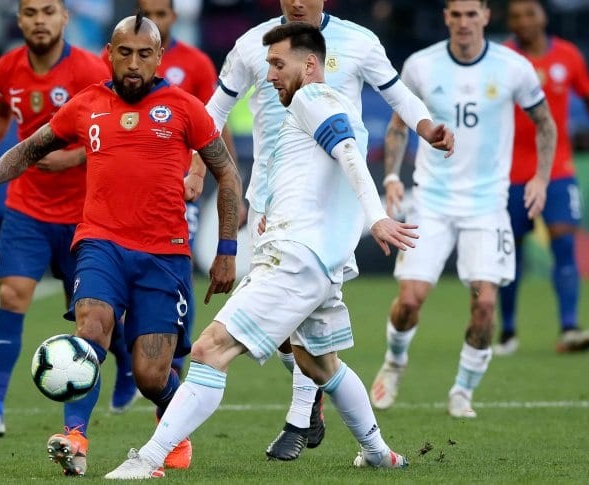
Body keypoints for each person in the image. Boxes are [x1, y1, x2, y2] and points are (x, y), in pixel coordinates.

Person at [104, 21, 419, 480]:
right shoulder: (331, 104)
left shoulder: (314, 98)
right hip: (321, 262)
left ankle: (149, 459)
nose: (269, 76)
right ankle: (377, 452)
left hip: (294, 257)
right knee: (318, 362)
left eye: (277, 64)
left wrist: (376, 217)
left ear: (310, 64)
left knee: (211, 349)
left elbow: (349, 153)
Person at [0, 13, 242, 476]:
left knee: (152, 375)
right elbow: (31, 147)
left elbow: (227, 173)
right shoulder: (86, 103)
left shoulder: (184, 107)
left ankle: (173, 422)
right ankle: (75, 440)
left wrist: (227, 250)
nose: (133, 64)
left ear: (158, 59)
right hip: (100, 242)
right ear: (108, 55)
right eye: (125, 53)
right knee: (91, 331)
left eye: (144, 54)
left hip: (164, 254)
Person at [204, 0, 454, 461]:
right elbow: (213, 112)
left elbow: (396, 92)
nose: (298, 2)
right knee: (287, 334)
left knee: (297, 322)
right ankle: (325, 408)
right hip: (267, 201)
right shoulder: (251, 46)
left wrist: (426, 127)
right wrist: (189, 167)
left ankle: (300, 419)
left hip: (327, 206)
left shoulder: (359, 42)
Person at [0, 0, 137, 440]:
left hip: (85, 215)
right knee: (12, 295)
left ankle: (127, 366)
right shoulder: (7, 69)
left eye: (48, 11)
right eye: (31, 12)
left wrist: (75, 156)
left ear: (64, 18)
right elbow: (0, 114)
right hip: (27, 208)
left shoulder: (92, 70)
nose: (40, 20)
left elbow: (119, 127)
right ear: (19, 20)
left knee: (97, 318)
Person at [369, 0, 557, 418]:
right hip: (431, 201)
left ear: (487, 17)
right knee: (410, 300)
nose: (464, 23)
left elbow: (545, 121)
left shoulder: (513, 67)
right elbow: (399, 124)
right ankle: (395, 362)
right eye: (456, 14)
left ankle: (462, 390)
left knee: (486, 303)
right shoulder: (421, 65)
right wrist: (393, 176)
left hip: (487, 205)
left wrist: (541, 177)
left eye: (473, 14)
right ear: (446, 18)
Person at [103, 0, 240, 376]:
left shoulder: (195, 64)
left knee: (177, 270)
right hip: (123, 197)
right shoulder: (123, 62)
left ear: (174, 18)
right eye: (149, 14)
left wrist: (203, 174)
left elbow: (214, 122)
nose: (156, 21)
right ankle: (131, 360)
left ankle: (174, 358)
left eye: (162, 14)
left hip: (178, 193)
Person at [496, 0, 589, 355]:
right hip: (509, 175)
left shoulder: (568, 55)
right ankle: (508, 332)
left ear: (543, 17)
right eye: (516, 16)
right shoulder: (501, 59)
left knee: (564, 244)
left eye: (529, 13)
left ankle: (569, 327)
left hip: (557, 171)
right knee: (511, 253)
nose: (523, 21)